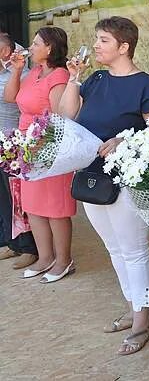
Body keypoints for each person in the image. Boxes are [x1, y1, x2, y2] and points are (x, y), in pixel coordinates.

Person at [58, 16, 149, 356]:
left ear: (124, 46)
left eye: (103, 40)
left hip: (124, 182)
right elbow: (65, 115)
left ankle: (142, 321)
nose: (96, 45)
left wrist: (123, 139)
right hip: (90, 176)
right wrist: (74, 79)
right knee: (115, 249)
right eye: (97, 38)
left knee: (133, 250)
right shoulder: (96, 79)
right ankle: (134, 308)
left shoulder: (146, 85)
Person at [3, 27, 75, 283]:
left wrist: (38, 142)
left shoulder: (59, 75)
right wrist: (16, 70)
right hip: (27, 147)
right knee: (33, 207)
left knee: (55, 208)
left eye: (36, 43)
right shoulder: (33, 72)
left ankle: (64, 259)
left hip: (48, 148)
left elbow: (58, 116)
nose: (30, 47)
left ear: (50, 48)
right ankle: (45, 257)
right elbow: (11, 97)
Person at [0, 33, 38, 269]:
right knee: (3, 197)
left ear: (6, 52)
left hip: (13, 142)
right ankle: (12, 242)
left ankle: (30, 247)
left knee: (18, 199)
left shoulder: (21, 74)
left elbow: (14, 102)